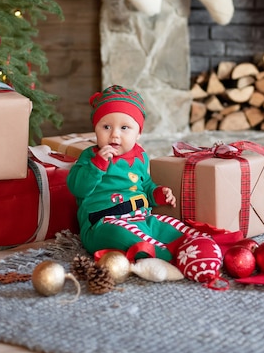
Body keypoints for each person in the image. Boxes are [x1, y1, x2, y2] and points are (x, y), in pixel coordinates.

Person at [67, 84, 188, 261]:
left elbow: (145, 184)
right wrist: (97, 165)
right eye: (106, 127)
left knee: (171, 226)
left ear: (138, 133)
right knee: (121, 235)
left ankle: (192, 245)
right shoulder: (90, 157)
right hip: (102, 224)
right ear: (96, 129)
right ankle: (168, 256)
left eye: (124, 128)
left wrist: (158, 193)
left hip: (141, 218)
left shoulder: (140, 157)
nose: (114, 135)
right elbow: (77, 188)